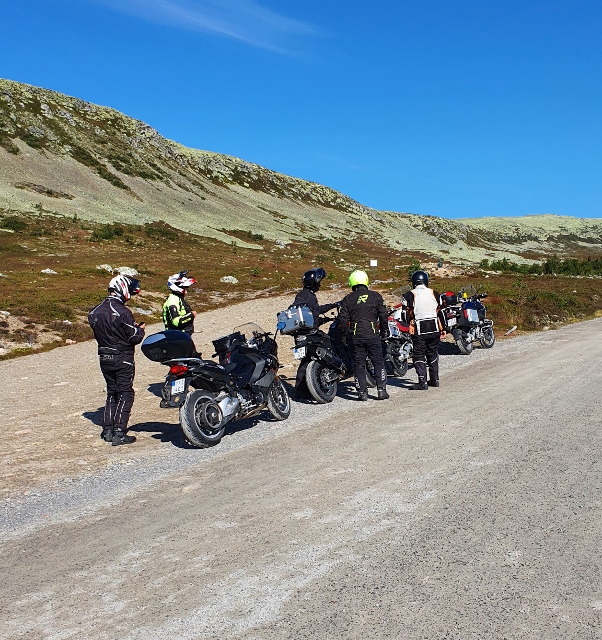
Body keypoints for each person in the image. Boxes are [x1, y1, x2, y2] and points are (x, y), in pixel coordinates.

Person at [88, 274, 145, 446]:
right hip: (122, 357)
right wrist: (140, 329)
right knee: (125, 393)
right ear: (122, 288)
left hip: (104, 356)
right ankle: (119, 432)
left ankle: (108, 431)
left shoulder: (94, 311)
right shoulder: (123, 311)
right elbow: (135, 338)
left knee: (112, 392)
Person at [338, 270, 389, 401]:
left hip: (356, 336)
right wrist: (384, 331)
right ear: (366, 281)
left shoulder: (347, 299)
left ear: (351, 283)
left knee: (359, 364)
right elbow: (383, 316)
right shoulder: (375, 296)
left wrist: (343, 337)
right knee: (378, 361)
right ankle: (381, 390)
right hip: (372, 334)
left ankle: (362, 393)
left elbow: (343, 321)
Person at [292, 267, 339, 399]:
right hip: (310, 334)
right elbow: (310, 311)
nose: (320, 284)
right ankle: (329, 377)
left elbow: (316, 312)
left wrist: (332, 306)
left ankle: (301, 390)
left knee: (306, 361)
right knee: (330, 345)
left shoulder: (307, 295)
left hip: (302, 334)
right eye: (319, 282)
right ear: (314, 282)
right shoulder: (305, 296)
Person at [402, 270, 447, 390]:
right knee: (432, 352)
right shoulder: (435, 293)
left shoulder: (408, 295)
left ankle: (422, 382)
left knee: (419, 354)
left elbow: (404, 315)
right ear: (426, 281)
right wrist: (444, 328)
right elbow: (441, 312)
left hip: (419, 328)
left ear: (413, 282)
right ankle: (435, 380)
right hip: (434, 327)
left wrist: (409, 322)